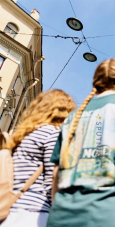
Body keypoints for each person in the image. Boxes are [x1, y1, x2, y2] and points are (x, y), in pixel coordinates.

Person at [47, 59, 115, 227]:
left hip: (62, 217)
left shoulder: (73, 116)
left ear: (96, 84)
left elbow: (56, 174)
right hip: (111, 215)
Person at [0, 89, 76, 227]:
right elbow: (53, 179)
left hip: (10, 209)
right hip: (33, 213)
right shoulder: (53, 134)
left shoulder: (23, 135)